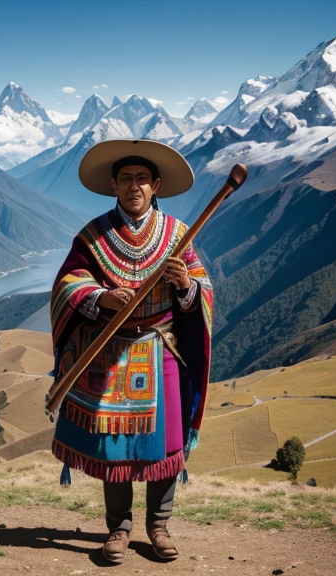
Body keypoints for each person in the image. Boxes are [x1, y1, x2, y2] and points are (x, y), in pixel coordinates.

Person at [49, 139, 213, 563]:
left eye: (142, 179)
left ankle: (158, 526)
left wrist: (185, 286)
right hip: (112, 351)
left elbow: (203, 289)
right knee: (116, 447)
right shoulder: (93, 236)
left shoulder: (179, 235)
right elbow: (67, 282)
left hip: (162, 348)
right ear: (113, 185)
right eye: (126, 179)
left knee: (168, 445)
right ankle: (119, 529)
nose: (134, 186)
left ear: (156, 185)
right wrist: (101, 298)